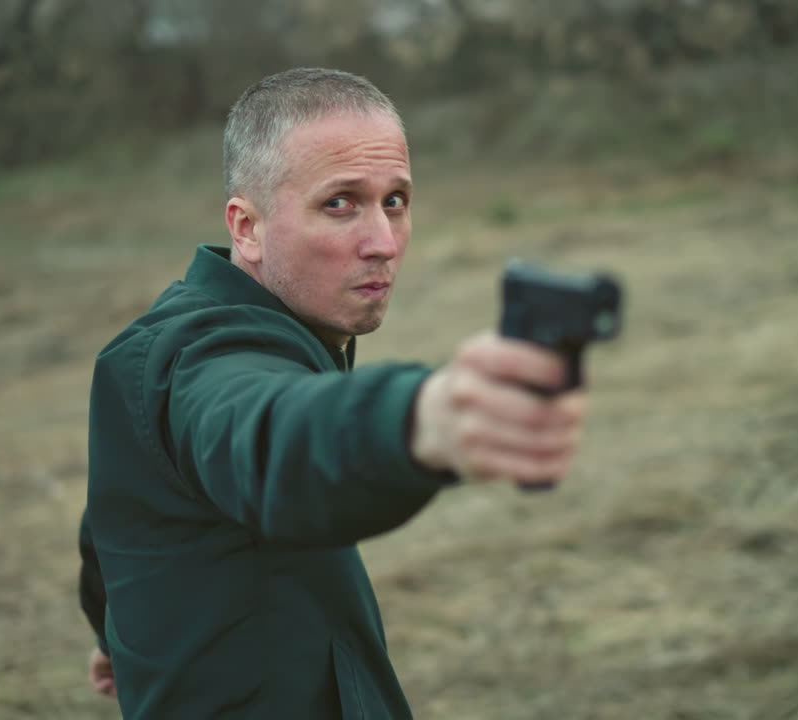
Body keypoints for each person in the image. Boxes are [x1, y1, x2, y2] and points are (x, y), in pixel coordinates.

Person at [77, 67, 588, 719]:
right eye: (339, 203)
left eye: (395, 201)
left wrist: (119, 627)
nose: (381, 244)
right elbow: (266, 437)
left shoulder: (169, 346)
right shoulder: (205, 355)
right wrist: (422, 419)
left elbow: (115, 515)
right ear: (247, 227)